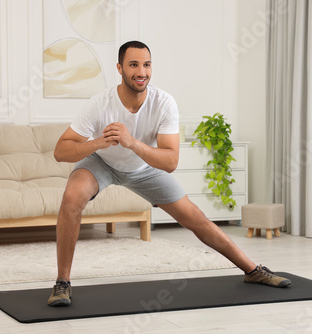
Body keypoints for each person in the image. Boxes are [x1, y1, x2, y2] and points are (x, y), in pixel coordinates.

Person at [48, 41, 290, 307]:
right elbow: (61, 151)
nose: (141, 71)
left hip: (143, 167)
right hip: (101, 163)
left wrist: (132, 143)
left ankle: (253, 270)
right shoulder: (99, 104)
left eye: (146, 64)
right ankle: (62, 282)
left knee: (195, 217)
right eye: (133, 65)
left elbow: (171, 160)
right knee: (72, 197)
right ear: (119, 68)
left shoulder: (163, 102)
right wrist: (98, 143)